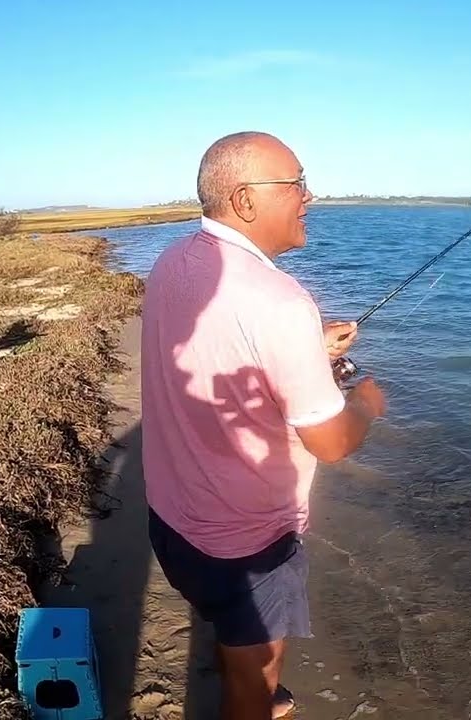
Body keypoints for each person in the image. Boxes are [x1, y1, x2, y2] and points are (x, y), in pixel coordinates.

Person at [141, 131, 387, 720]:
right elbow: (330, 443)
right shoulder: (281, 303)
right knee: (257, 687)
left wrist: (307, 345)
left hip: (172, 520)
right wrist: (368, 405)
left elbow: (219, 346)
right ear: (246, 200)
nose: (310, 197)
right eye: (298, 183)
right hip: (247, 544)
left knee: (230, 632)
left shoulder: (174, 259)